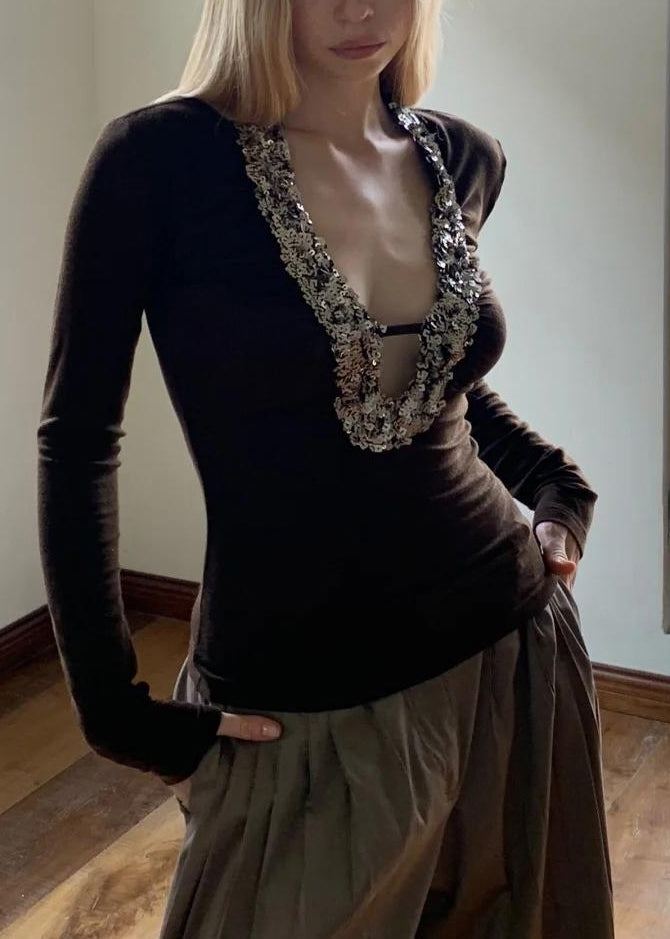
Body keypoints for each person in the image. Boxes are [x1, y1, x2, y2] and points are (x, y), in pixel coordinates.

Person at [36, 0, 615, 936]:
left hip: (508, 651)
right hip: (295, 697)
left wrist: (556, 481)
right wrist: (114, 713)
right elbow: (77, 440)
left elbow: (431, 381)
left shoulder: (465, 155)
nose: (360, 7)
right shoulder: (158, 161)